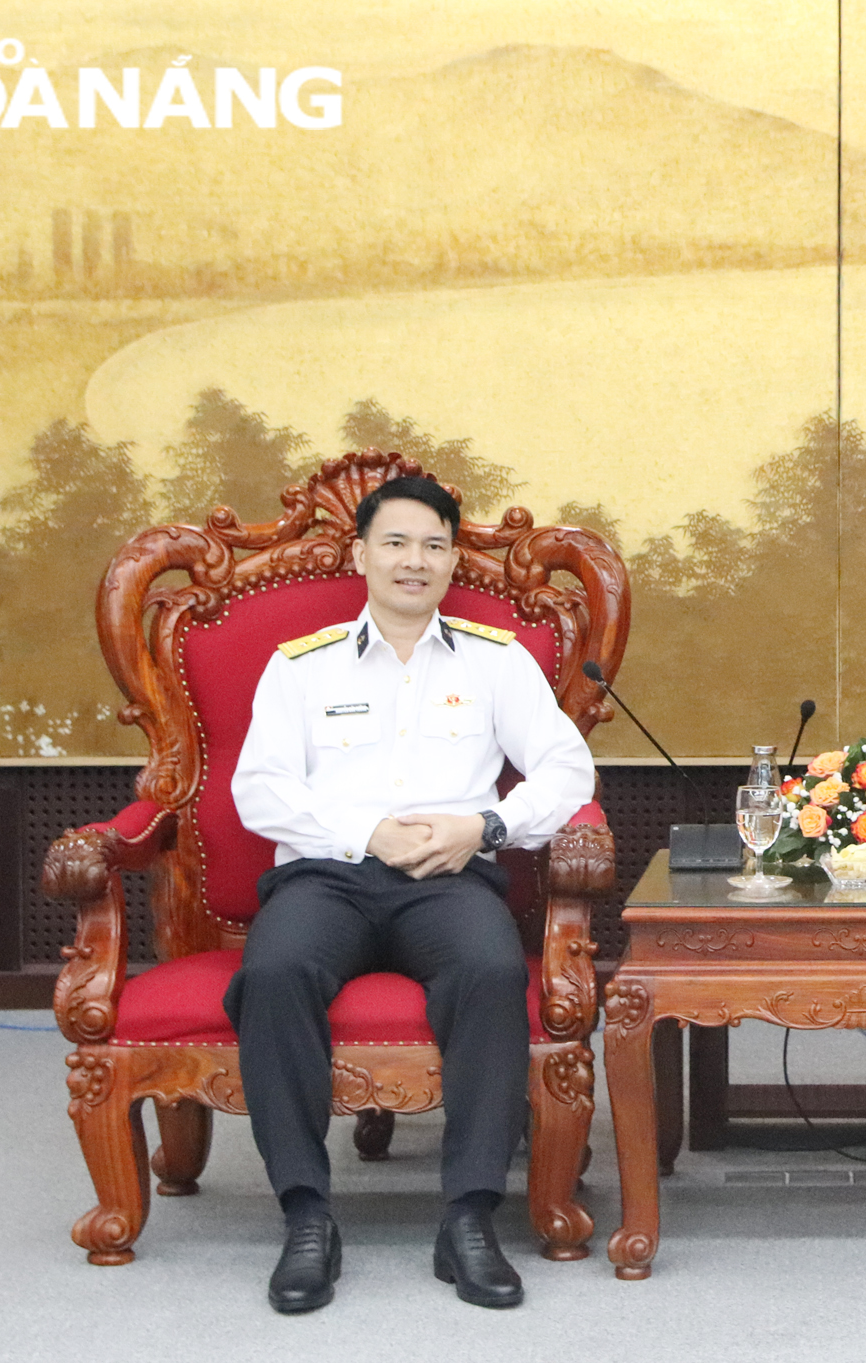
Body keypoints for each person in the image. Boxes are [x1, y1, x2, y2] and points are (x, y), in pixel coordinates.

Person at [225, 476, 595, 1313]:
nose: (413, 560)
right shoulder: (301, 666)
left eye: (432, 544)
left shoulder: (495, 660)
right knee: (275, 971)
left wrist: (488, 826)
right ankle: (307, 1215)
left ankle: (468, 1215)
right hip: (328, 876)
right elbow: (261, 791)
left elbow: (569, 772)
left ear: (453, 558)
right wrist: (365, 834)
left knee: (492, 972)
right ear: (359, 554)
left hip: (448, 878)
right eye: (394, 543)